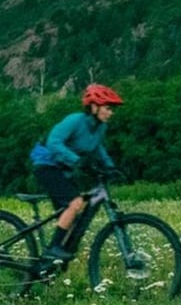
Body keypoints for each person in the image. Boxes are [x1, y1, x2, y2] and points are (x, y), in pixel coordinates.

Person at [28, 83, 123, 264]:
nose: (111, 113)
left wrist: (111, 167)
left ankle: (47, 266)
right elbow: (53, 142)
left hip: (65, 169)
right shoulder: (75, 120)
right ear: (94, 107)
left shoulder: (100, 127)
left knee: (74, 216)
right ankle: (53, 249)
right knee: (76, 202)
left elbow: (97, 148)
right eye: (108, 108)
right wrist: (77, 161)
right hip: (46, 164)